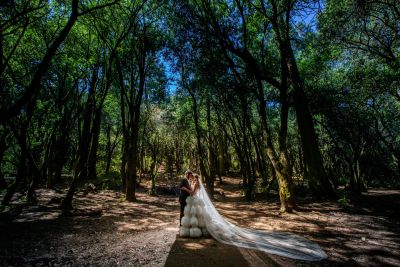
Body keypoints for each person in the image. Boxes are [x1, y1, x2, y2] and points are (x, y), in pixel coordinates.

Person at [178, 171, 328, 261]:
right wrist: (187, 187)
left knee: (197, 216)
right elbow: (190, 191)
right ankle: (193, 230)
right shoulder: (191, 181)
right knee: (194, 216)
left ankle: (198, 231)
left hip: (194, 200)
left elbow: (193, 192)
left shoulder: (195, 183)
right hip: (193, 201)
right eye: (189, 176)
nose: (190, 177)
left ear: (194, 177)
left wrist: (189, 188)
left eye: (191, 176)